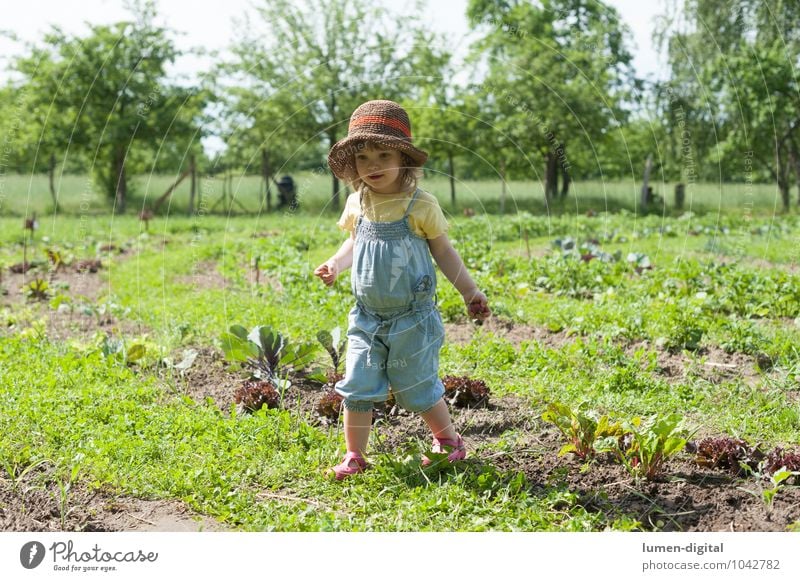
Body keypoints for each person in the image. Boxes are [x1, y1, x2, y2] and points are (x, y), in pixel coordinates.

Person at [314, 100, 491, 480]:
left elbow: (443, 251)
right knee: (358, 384)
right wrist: (334, 264)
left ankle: (448, 442)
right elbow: (353, 244)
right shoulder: (357, 203)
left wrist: (469, 291)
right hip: (366, 315)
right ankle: (354, 455)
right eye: (363, 157)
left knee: (416, 386)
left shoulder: (420, 205)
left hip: (412, 316)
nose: (373, 165)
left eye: (383, 154)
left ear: (404, 160)